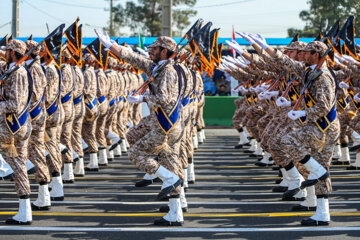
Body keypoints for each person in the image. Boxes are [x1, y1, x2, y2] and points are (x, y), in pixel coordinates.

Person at [95, 30, 185, 226]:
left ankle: (170, 180)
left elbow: (165, 99)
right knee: (170, 165)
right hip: (167, 125)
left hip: (166, 127)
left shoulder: (168, 71)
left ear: (164, 51)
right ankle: (176, 213)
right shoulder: (158, 67)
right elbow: (134, 59)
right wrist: (111, 46)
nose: (150, 51)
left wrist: (142, 98)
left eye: (155, 48)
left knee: (136, 153)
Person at [2, 39, 32, 224]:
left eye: (7, 51)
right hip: (18, 125)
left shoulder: (18, 72)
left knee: (17, 167)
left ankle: (4, 171)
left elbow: (15, 104)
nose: (4, 53)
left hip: (11, 127)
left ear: (13, 53)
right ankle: (24, 212)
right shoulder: (14, 70)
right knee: (20, 167)